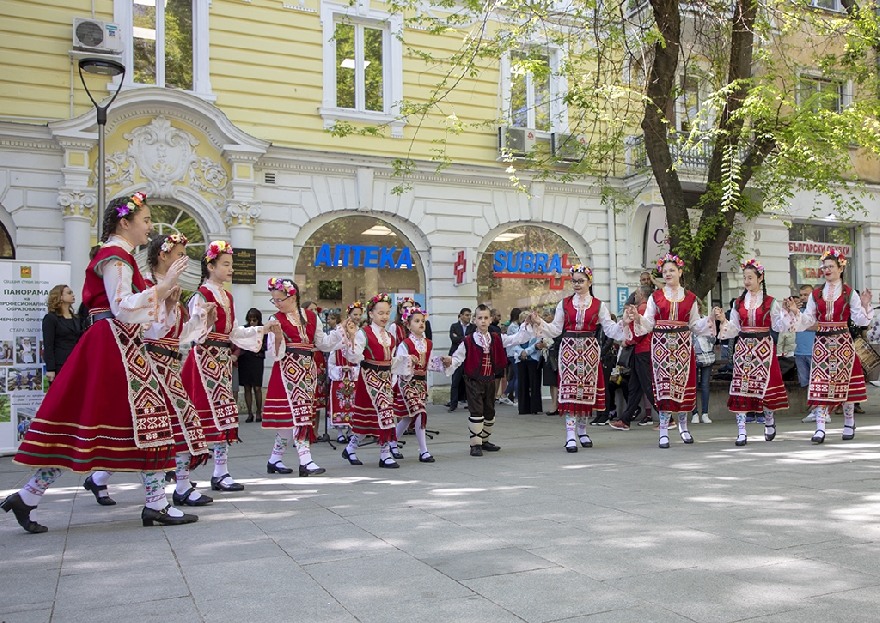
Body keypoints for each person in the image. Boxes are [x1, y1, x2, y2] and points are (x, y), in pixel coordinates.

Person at [5, 192, 198, 533]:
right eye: (146, 220)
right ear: (125, 222)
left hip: (120, 343)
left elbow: (143, 318)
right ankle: (155, 504)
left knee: (122, 422)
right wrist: (164, 285)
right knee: (147, 417)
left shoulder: (121, 257)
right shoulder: (114, 256)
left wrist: (165, 295)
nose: (150, 227)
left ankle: (29, 495)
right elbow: (122, 305)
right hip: (113, 344)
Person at [182, 241, 276, 492]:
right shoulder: (201, 295)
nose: (231, 269)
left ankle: (220, 472)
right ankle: (182, 473)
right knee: (200, 415)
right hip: (203, 360)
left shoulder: (228, 296)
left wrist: (261, 329)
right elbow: (192, 332)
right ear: (210, 266)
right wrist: (206, 322)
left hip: (221, 359)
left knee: (224, 414)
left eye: (231, 264)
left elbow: (233, 332)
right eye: (226, 264)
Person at [782, 249, 873, 444]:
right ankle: (820, 428)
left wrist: (865, 304)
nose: (827, 270)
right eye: (825, 267)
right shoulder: (816, 294)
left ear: (841, 268)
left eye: (831, 266)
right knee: (820, 385)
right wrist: (796, 311)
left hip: (843, 342)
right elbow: (808, 320)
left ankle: (849, 422)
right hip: (822, 342)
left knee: (846, 386)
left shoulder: (850, 293)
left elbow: (859, 319)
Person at [626, 253, 716, 449]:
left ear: (680, 272)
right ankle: (664, 430)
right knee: (664, 388)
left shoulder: (690, 297)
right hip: (661, 347)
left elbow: (694, 324)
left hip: (683, 346)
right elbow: (649, 322)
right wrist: (637, 318)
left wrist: (709, 318)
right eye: (665, 271)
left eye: (672, 270)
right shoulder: (655, 297)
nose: (668, 274)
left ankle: (683, 427)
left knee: (682, 388)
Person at [262, 278, 348, 477]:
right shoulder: (275, 319)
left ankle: (274, 459)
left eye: (280, 299)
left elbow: (323, 344)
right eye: (274, 300)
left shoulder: (311, 316)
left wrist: (340, 332)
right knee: (297, 416)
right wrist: (276, 337)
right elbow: (274, 354)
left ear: (292, 297)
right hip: (287, 372)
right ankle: (305, 460)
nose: (277, 304)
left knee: (292, 419)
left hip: (307, 371)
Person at [536, 265, 628, 452]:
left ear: (589, 282)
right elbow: (555, 329)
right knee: (570, 392)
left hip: (589, 350)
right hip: (569, 349)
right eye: (574, 281)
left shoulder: (599, 305)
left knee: (586, 392)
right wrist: (540, 323)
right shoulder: (564, 303)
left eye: (581, 281)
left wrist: (624, 323)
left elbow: (610, 329)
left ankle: (583, 430)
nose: (577, 284)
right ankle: (570, 434)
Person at [712, 260, 789, 446]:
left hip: (764, 347)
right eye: (744, 277)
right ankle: (741, 431)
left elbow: (779, 326)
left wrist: (787, 313)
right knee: (741, 388)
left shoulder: (770, 302)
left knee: (766, 388)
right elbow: (734, 329)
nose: (746, 281)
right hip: (744, 348)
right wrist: (723, 320)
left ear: (760, 278)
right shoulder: (738, 302)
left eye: (750, 277)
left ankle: (769, 422)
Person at [447, 304, 536, 456]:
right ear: (474, 320)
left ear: (490, 320)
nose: (483, 321)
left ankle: (484, 441)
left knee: (489, 413)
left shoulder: (496, 338)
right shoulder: (468, 341)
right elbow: (457, 358)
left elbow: (517, 338)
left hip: (489, 380)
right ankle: (475, 445)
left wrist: (527, 324)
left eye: (486, 318)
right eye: (480, 318)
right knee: (476, 412)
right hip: (473, 380)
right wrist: (449, 361)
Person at [340, 293, 411, 468]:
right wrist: (350, 338)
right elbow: (354, 356)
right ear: (371, 314)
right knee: (382, 414)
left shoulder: (390, 337)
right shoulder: (363, 333)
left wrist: (407, 360)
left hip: (385, 379)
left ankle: (351, 448)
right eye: (380, 313)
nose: (384, 317)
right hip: (369, 377)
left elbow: (391, 361)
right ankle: (385, 454)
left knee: (374, 418)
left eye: (387, 313)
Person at [388, 307, 453, 463]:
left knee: (406, 418)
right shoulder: (405, 344)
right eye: (416, 321)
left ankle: (392, 442)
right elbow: (398, 364)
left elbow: (429, 364)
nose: (421, 324)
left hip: (421, 384)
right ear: (408, 325)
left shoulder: (428, 343)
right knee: (419, 413)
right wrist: (409, 360)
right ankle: (423, 450)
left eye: (422, 321)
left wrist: (442, 361)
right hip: (407, 382)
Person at [610, 286, 658, 430]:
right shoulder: (644, 308)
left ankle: (665, 416)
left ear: (642, 295)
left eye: (636, 293)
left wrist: (628, 341)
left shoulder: (643, 308)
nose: (634, 296)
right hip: (640, 351)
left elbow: (641, 331)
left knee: (647, 385)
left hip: (642, 350)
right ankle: (625, 419)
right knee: (635, 386)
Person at [328, 302, 363, 442]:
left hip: (353, 377)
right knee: (339, 403)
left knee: (353, 405)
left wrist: (354, 369)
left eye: (360, 315)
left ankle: (351, 430)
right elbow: (330, 361)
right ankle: (340, 432)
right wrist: (340, 369)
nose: (357, 318)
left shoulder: (359, 336)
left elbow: (361, 358)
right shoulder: (337, 340)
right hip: (340, 378)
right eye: (355, 315)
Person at [42, 284, 83, 383]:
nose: (73, 295)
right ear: (60, 297)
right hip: (60, 364)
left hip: (76, 362)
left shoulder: (76, 318)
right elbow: (48, 345)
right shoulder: (51, 318)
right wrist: (51, 369)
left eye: (72, 293)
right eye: (69, 293)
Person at [793, 284, 820, 420]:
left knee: (817, 383)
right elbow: (791, 324)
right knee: (805, 383)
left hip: (814, 351)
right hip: (799, 352)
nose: (803, 297)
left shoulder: (816, 310)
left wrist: (803, 325)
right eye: (801, 294)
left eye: (806, 295)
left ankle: (819, 411)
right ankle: (812, 409)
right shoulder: (798, 310)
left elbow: (819, 325)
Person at [238, 308, 268, 423]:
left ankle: (258, 412)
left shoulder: (263, 329)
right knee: (246, 387)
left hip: (257, 359)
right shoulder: (244, 329)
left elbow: (266, 345)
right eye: (250, 319)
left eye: (254, 320)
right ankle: (250, 413)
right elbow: (239, 343)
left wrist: (258, 347)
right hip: (245, 359)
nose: (252, 322)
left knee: (257, 387)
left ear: (258, 319)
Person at [691, 300, 716, 426]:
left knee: (705, 385)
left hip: (706, 356)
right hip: (693, 356)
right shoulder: (689, 322)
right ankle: (694, 413)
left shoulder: (707, 319)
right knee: (693, 385)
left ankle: (705, 413)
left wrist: (705, 335)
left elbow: (713, 338)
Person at [447, 307, 472, 412]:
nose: (468, 317)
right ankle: (453, 404)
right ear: (461, 316)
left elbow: (472, 339)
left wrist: (460, 338)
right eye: (466, 315)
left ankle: (471, 403)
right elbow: (453, 339)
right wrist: (465, 338)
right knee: (455, 381)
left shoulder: (473, 327)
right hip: (456, 357)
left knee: (470, 382)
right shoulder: (454, 326)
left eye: (469, 315)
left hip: (469, 357)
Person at [513, 334, 543, 414]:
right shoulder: (519, 330)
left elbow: (537, 343)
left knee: (534, 383)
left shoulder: (537, 330)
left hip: (533, 359)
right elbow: (514, 342)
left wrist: (526, 352)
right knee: (522, 384)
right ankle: (523, 408)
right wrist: (521, 352)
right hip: (520, 359)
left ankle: (535, 408)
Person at [501, 309, 524, 406]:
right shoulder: (514, 327)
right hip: (513, 353)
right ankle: (516, 398)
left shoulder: (513, 326)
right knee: (518, 376)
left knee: (515, 376)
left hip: (512, 353)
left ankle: (505, 394)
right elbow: (519, 337)